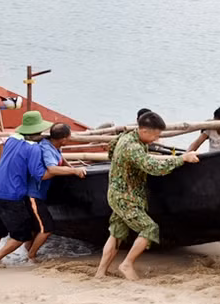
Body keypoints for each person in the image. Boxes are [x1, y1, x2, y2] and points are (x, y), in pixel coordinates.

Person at [95, 111, 200, 280]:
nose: (156, 140)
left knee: (116, 233)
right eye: (155, 136)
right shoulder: (133, 147)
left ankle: (100, 272)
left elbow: (110, 150)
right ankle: (127, 264)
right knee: (149, 228)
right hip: (125, 198)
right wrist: (182, 159)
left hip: (118, 194)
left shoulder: (125, 137)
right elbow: (153, 167)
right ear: (144, 131)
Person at [0, 111, 53, 269]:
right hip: (12, 196)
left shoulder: (11, 140)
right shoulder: (34, 148)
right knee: (21, 235)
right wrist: (62, 170)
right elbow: (39, 175)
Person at [26, 123, 87, 261]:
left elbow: (60, 158)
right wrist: (74, 171)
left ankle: (28, 251)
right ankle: (31, 256)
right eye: (69, 137)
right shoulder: (47, 149)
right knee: (46, 228)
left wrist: (70, 167)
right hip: (34, 194)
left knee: (35, 226)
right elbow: (52, 169)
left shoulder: (53, 145)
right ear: (64, 139)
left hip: (41, 194)